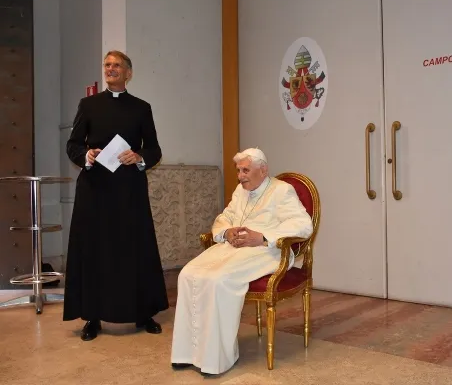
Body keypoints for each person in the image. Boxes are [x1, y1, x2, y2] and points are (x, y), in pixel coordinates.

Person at [170, 148, 313, 375]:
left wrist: (263, 236)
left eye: (245, 170)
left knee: (218, 279)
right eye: (239, 170)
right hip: (233, 248)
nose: (240, 176)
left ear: (262, 170)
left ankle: (217, 358)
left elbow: (304, 225)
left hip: (267, 252)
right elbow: (225, 217)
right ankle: (187, 353)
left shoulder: (282, 191)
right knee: (188, 273)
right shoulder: (241, 190)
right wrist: (227, 232)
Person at [63, 50, 169, 341]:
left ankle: (143, 312)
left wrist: (139, 156)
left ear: (128, 73)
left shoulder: (141, 108)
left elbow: (155, 149)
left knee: (134, 249)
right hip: (95, 189)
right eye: (107, 65)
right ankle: (92, 317)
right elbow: (72, 145)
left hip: (129, 191)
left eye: (116, 65)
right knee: (95, 250)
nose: (110, 69)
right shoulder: (88, 105)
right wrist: (87, 154)